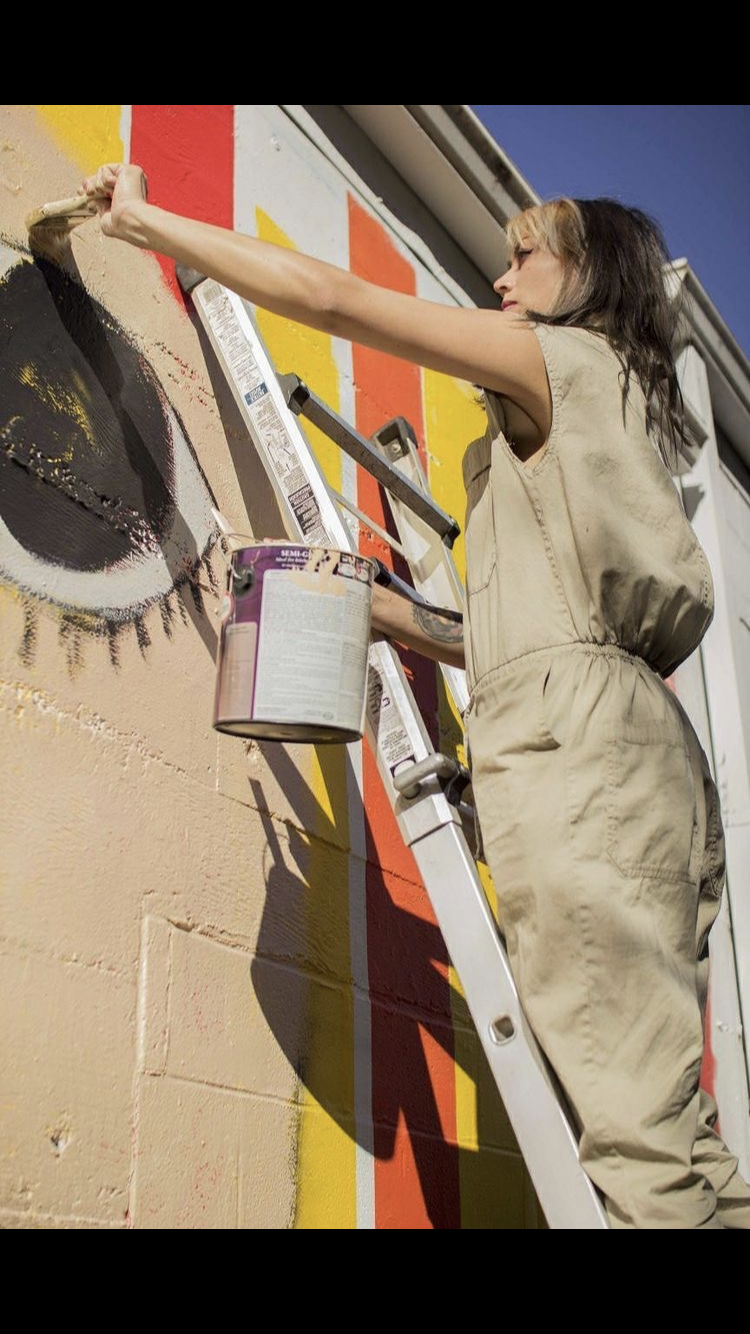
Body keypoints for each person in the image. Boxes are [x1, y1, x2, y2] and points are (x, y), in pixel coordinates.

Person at [82, 163, 750, 1229]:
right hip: (644, 757)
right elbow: (533, 637)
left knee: (640, 1157)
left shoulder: (553, 358)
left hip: (585, 763)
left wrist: (146, 220)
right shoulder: (616, 405)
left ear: (586, 276)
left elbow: (336, 298)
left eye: (524, 256)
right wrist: (391, 613)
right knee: (677, 1132)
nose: (501, 278)